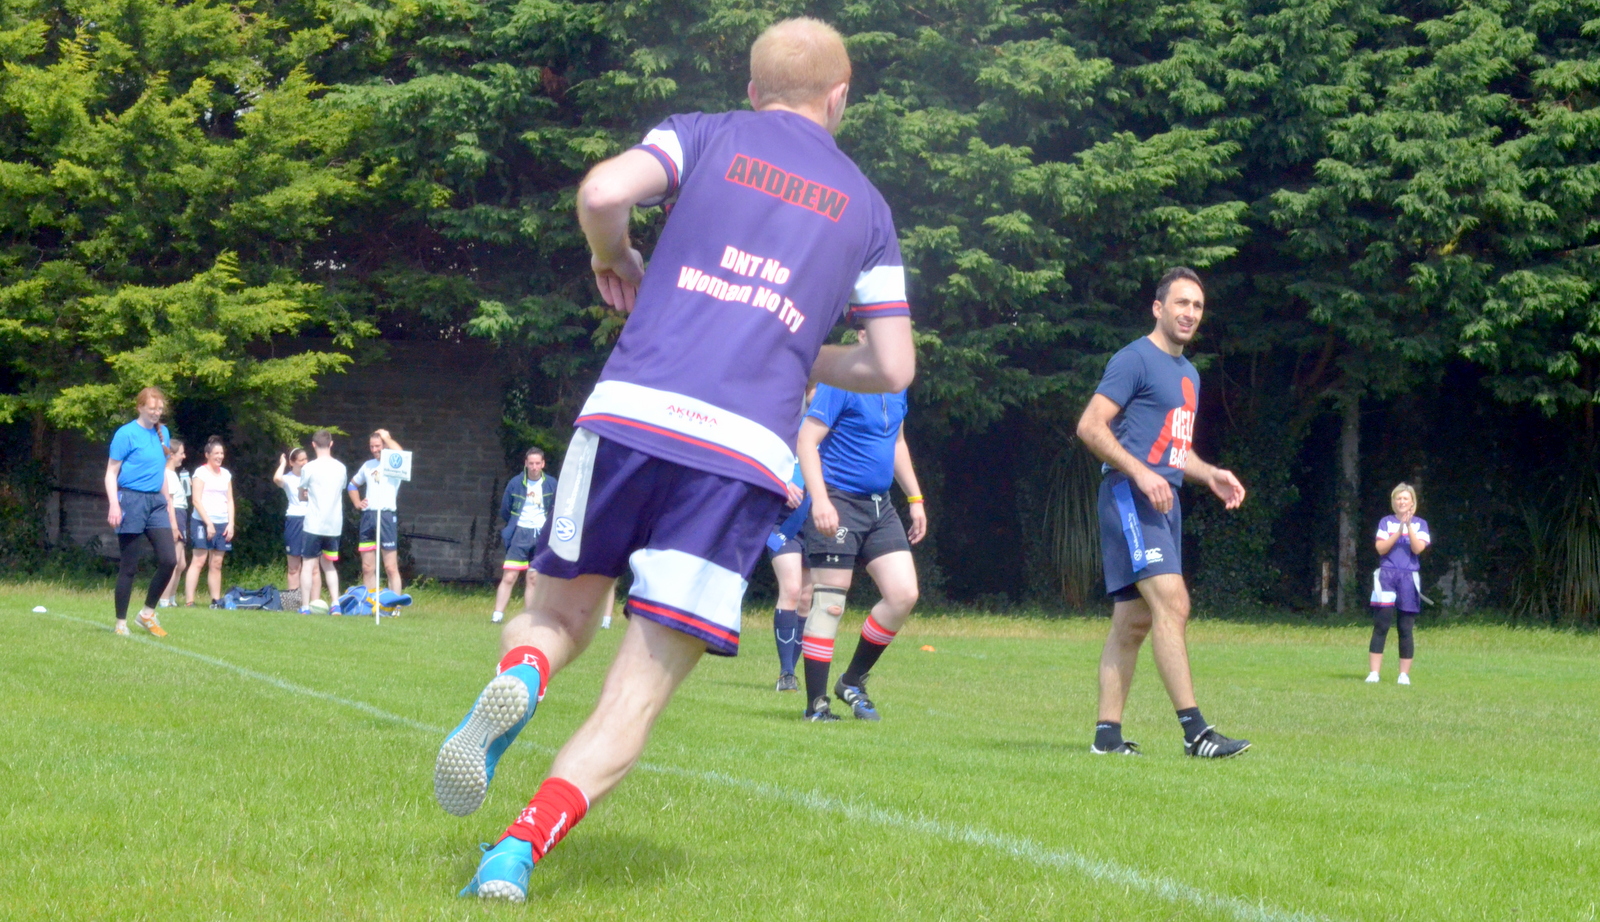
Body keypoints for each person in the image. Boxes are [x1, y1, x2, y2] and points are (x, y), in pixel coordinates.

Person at [438, 18, 915, 902]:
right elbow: (892, 365)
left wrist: (613, 254)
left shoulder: (705, 134)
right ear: (840, 97)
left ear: (753, 90)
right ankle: (514, 853)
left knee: (557, 616)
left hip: (630, 413)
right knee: (641, 686)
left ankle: (522, 675)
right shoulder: (869, 208)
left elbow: (602, 190)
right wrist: (800, 352)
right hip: (741, 453)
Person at [1075, 266, 1252, 759]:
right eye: (1181, 303)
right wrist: (1140, 473)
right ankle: (1196, 733)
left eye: (1197, 306)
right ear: (1158, 308)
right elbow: (1090, 426)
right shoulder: (1134, 359)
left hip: (1163, 502)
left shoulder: (1189, 375)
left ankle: (1106, 738)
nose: (1189, 313)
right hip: (1130, 497)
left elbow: (1174, 449)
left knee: (1133, 621)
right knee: (1173, 604)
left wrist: (1209, 473)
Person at [796, 343, 927, 721]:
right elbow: (806, 441)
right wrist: (820, 501)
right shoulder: (839, 383)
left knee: (903, 594)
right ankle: (816, 705)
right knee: (830, 603)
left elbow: (897, 442)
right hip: (838, 500)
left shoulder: (896, 385)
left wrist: (915, 498)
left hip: (879, 506)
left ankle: (851, 680)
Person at [104, 387, 179, 636]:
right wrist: (114, 504)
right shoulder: (125, 434)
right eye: (152, 408)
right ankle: (120, 623)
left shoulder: (163, 433)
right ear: (140, 407)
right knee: (129, 566)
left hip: (156, 502)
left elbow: (162, 473)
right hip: (131, 500)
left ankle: (147, 613)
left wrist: (168, 505)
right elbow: (111, 473)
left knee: (169, 560)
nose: (156, 412)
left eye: (160, 409)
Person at [1367, 482, 1430, 685]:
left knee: (1405, 627)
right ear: (1393, 501)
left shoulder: (1420, 524)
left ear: (1412, 502)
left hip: (1409, 578)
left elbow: (1418, 548)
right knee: (1381, 624)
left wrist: (1408, 526)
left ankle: (1404, 675)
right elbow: (1381, 548)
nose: (1402, 502)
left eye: (1405, 498)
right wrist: (1399, 529)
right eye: (1398, 498)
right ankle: (1374, 673)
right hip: (1386, 576)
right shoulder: (1386, 522)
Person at [493, 448, 559, 624]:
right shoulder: (515, 483)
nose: (534, 467)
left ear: (543, 464)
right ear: (526, 464)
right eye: (531, 463)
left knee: (533, 578)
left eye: (538, 463)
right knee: (509, 576)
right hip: (520, 532)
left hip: (541, 534)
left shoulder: (551, 484)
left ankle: (529, 616)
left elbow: (557, 508)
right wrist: (515, 525)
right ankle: (497, 615)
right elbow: (505, 509)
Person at [768, 463, 813, 692]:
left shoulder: (831, 443)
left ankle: (791, 672)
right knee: (792, 589)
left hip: (816, 522)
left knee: (806, 598)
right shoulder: (783, 440)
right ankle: (786, 673)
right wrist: (781, 484)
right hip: (782, 522)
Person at [297, 429, 348, 613]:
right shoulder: (341, 468)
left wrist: (306, 495)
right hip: (334, 525)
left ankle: (305, 606)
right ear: (331, 444)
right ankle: (335, 604)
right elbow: (340, 489)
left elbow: (301, 494)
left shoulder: (309, 468)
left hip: (314, 524)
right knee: (329, 565)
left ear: (313, 445)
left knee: (308, 565)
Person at [350, 429, 405, 595]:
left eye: (378, 446)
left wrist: (387, 437)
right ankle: (370, 602)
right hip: (369, 516)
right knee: (367, 567)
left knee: (390, 566)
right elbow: (352, 485)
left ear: (385, 445)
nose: (374, 450)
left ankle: (394, 604)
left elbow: (401, 455)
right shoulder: (368, 465)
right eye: (372, 446)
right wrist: (357, 503)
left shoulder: (394, 463)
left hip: (386, 516)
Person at [183, 436, 235, 607]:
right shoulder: (201, 473)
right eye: (216, 453)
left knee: (217, 563)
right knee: (199, 560)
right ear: (207, 455)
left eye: (221, 453)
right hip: (202, 521)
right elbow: (196, 500)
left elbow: (230, 500)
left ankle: (216, 601)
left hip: (222, 522)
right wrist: (209, 524)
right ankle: (189, 601)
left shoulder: (226, 474)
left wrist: (231, 523)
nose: (219, 456)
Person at [274, 448, 310, 607]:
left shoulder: (311, 476)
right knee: (294, 566)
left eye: (306, 459)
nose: (304, 463)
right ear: (292, 462)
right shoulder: (288, 479)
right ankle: (293, 603)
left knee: (311, 566)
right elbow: (277, 478)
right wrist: (282, 463)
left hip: (311, 520)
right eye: (301, 460)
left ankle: (309, 602)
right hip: (294, 520)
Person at [158, 438, 190, 608]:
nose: (183, 457)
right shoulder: (167, 475)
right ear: (171, 455)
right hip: (175, 515)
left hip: (181, 514)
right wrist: (174, 526)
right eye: (181, 453)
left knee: (181, 564)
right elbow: (168, 501)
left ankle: (171, 598)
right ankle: (163, 599)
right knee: (174, 561)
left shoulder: (174, 474)